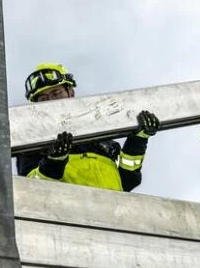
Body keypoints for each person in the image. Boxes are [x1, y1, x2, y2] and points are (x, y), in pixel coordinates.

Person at [16, 63, 160, 192]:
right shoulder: (34, 142)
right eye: (43, 99)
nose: (51, 101)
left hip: (115, 216)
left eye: (56, 93)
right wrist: (54, 161)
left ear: (70, 93)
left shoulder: (97, 136)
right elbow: (32, 189)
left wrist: (138, 140)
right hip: (70, 218)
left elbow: (128, 181)